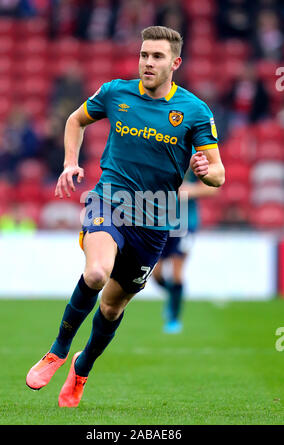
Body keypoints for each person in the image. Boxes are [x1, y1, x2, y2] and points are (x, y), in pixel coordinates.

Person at [26, 26, 225, 408]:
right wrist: (70, 163)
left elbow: (218, 174)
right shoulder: (115, 92)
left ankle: (82, 369)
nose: (147, 63)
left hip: (154, 224)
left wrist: (204, 168)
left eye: (157, 57)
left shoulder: (195, 111)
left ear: (175, 63)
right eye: (144, 55)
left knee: (113, 307)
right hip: (109, 202)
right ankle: (57, 350)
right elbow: (74, 120)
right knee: (96, 273)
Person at [152, 168, 219, 334]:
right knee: (156, 275)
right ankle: (175, 297)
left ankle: (173, 319)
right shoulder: (161, 157)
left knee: (176, 272)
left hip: (186, 224)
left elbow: (213, 187)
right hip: (160, 223)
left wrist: (189, 190)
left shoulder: (196, 161)